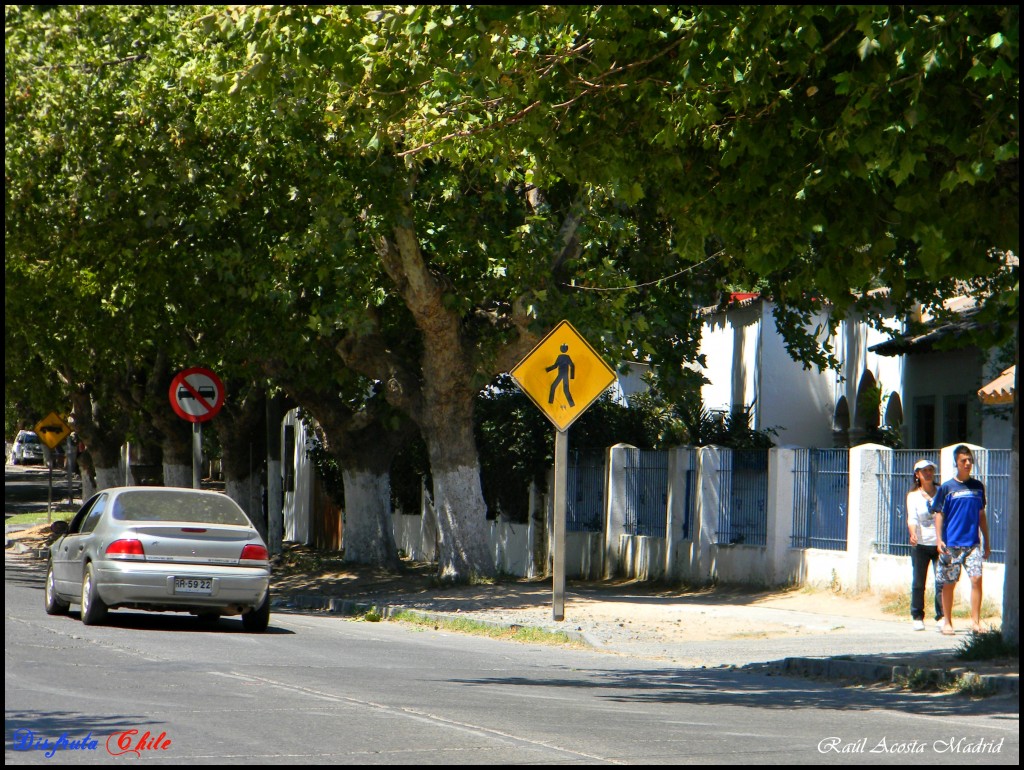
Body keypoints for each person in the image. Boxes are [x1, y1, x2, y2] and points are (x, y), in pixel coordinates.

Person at [933, 445, 991, 636]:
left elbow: (981, 515)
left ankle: (975, 621)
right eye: (963, 461)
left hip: (973, 543)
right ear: (956, 463)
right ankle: (947, 621)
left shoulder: (977, 487)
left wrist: (987, 542)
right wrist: (939, 539)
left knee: (977, 579)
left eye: (969, 460)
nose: (967, 464)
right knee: (949, 583)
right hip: (952, 544)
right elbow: (939, 514)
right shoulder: (947, 487)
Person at [905, 459, 943, 631]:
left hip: (940, 543)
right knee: (919, 581)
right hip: (921, 544)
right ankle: (917, 615)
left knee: (941, 580)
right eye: (924, 471)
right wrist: (913, 533)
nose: (928, 473)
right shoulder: (913, 496)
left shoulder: (941, 492)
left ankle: (941, 615)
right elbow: (912, 517)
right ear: (917, 475)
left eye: (930, 470)